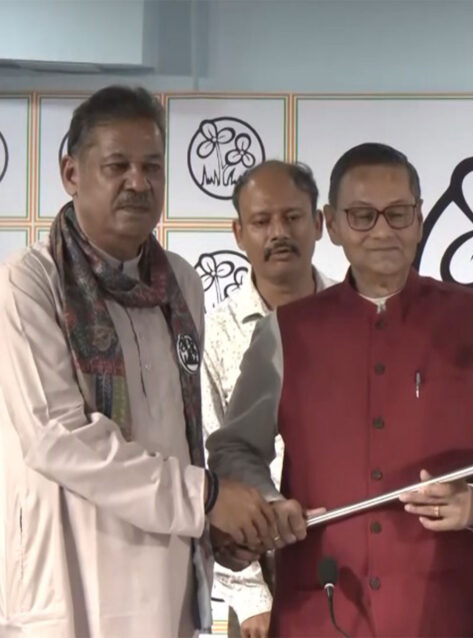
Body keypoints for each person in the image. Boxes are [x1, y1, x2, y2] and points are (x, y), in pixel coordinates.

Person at [208, 142, 473, 636]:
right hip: (321, 608)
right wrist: (267, 504)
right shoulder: (285, 332)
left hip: (450, 609)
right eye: (363, 216)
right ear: (333, 224)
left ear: (420, 219)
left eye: (399, 213)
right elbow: (234, 447)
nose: (383, 231)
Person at [0, 85, 280, 638]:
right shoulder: (30, 283)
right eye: (117, 166)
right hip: (71, 578)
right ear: (71, 173)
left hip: (167, 574)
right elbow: (58, 437)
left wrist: (215, 520)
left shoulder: (180, 282)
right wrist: (205, 498)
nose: (138, 182)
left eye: (152, 166)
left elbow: (180, 437)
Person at [202, 160, 333, 638]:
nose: (278, 233)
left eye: (292, 217)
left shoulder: (355, 319)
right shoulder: (212, 334)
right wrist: (251, 598)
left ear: (318, 223)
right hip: (261, 582)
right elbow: (211, 464)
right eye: (261, 221)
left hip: (353, 562)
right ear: (239, 233)